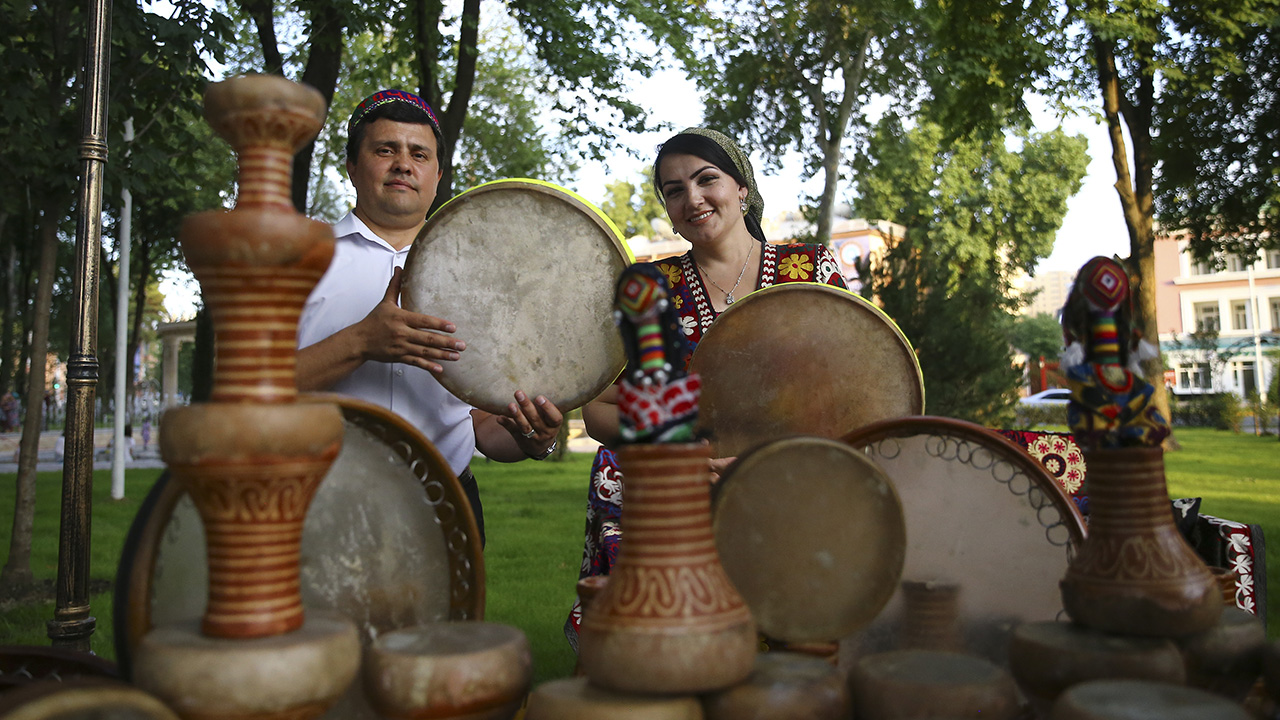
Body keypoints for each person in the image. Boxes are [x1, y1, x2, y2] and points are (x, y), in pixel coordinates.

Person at [564, 127, 848, 649]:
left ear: (742, 188)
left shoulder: (808, 270)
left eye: (706, 179)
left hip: (789, 474)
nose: (692, 198)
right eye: (674, 190)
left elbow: (852, 397)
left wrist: (765, 464)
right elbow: (599, 408)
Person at [296, 89, 563, 546]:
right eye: (385, 150)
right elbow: (249, 390)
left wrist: (531, 439)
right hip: (323, 503)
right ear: (352, 167)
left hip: (446, 506)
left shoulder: (483, 277)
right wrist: (360, 342)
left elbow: (479, 422)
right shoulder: (296, 262)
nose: (403, 164)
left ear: (437, 175)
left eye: (419, 154)